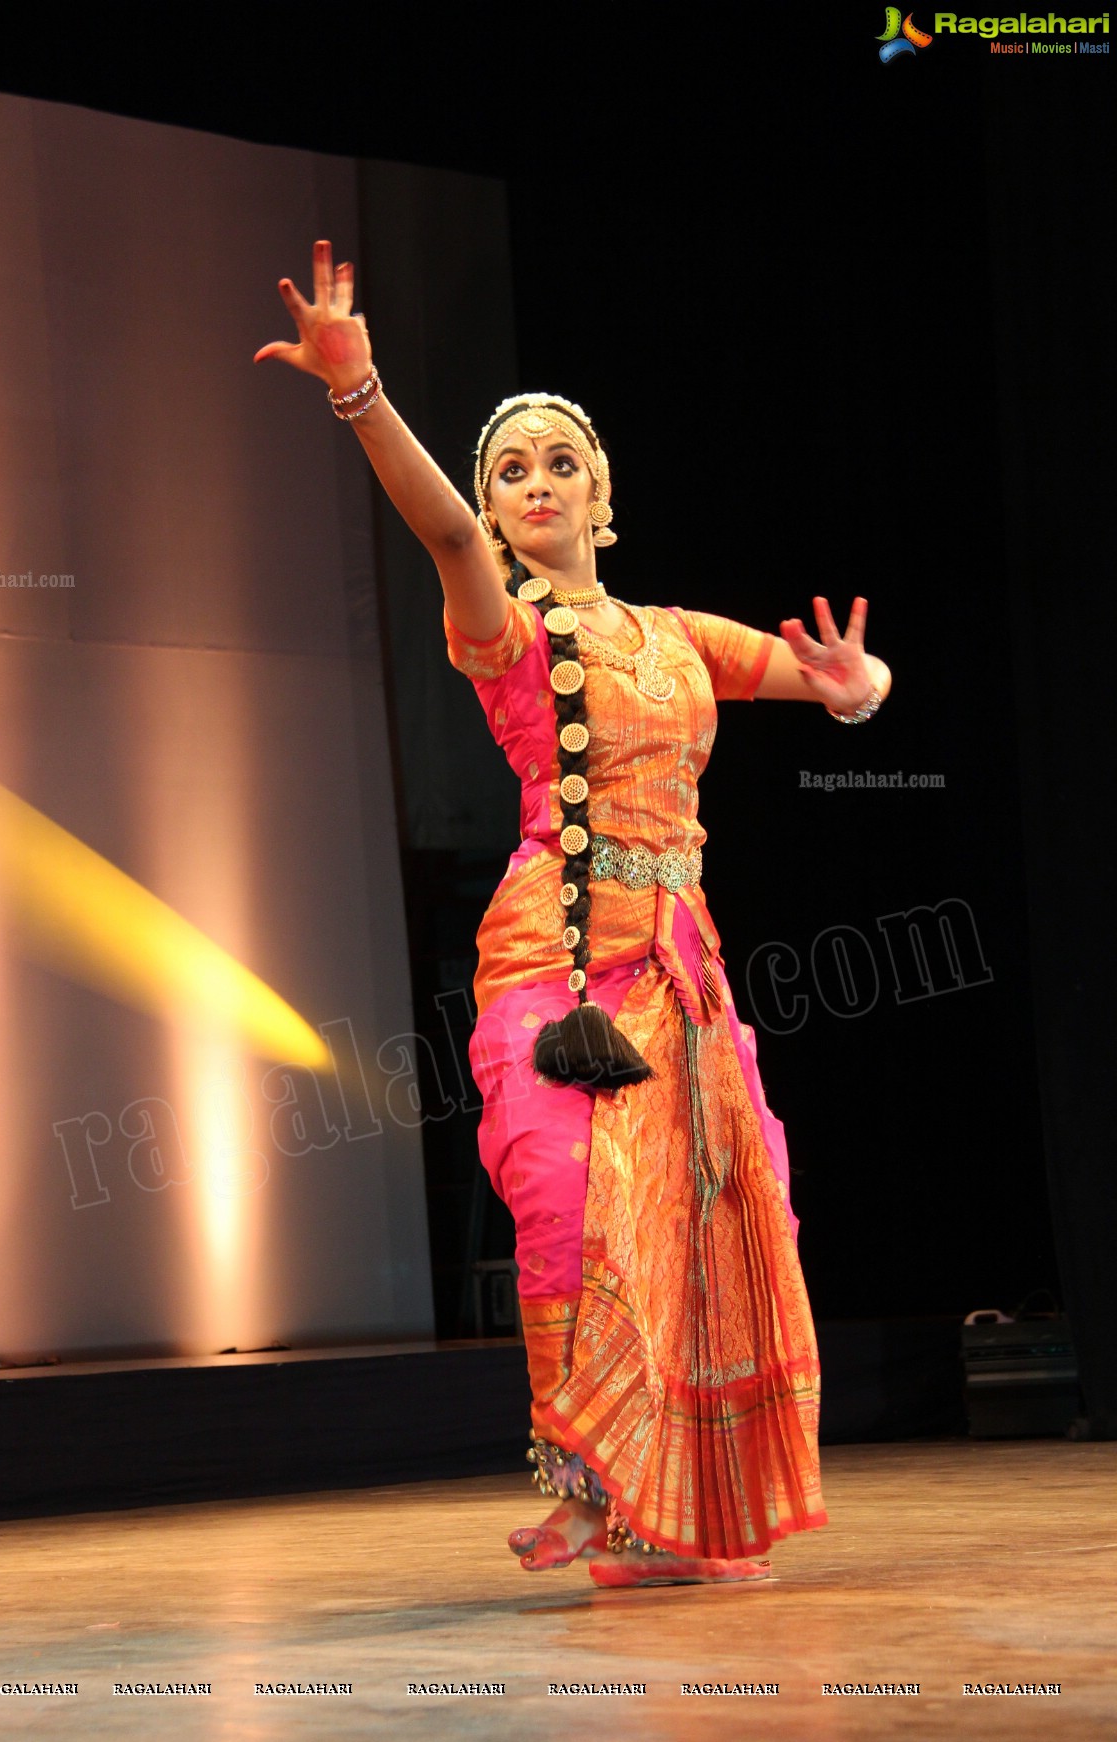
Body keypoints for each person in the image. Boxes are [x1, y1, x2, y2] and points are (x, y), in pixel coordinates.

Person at [257, 242, 892, 1588]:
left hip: (687, 980)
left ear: (603, 492)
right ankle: (591, 1480)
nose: (533, 485)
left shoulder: (676, 636)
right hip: (557, 972)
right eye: (510, 472)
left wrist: (861, 686)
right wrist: (359, 389)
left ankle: (693, 1503)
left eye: (558, 465)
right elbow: (433, 532)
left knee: (720, 1220)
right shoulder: (503, 624)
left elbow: (823, 676)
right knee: (560, 1199)